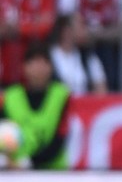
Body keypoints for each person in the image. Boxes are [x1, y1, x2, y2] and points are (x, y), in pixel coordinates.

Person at [0, 41, 70, 170]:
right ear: (24, 67)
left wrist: (29, 162)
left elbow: (60, 138)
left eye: (44, 62)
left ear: (51, 67)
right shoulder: (10, 97)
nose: (39, 68)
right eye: (34, 62)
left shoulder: (61, 95)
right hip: (17, 173)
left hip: (55, 173)